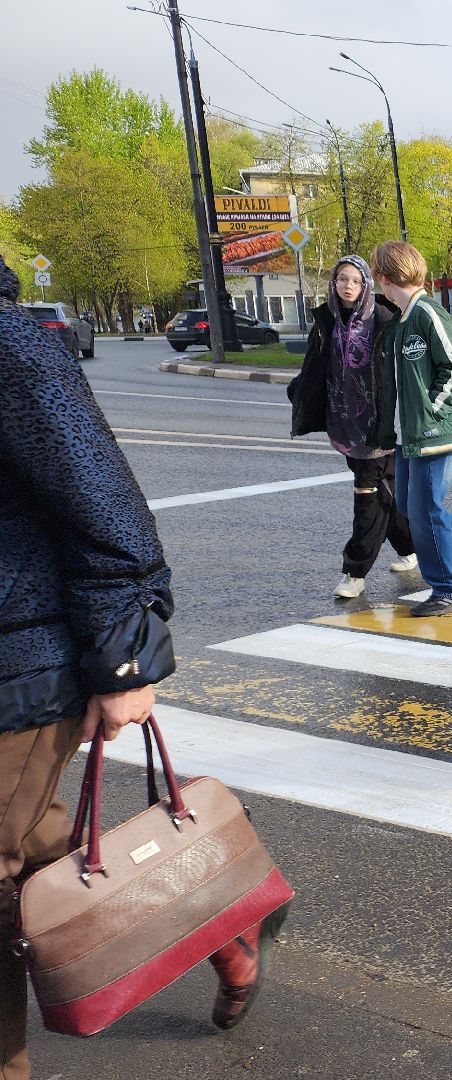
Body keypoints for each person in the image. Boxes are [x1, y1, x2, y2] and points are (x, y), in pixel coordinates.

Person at [0, 257, 289, 1068]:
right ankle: (219, 923)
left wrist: (124, 660)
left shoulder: (11, 348)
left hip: (17, 665)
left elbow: (103, 500)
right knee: (45, 848)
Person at [372, 241, 452, 617]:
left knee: (426, 509)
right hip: (414, 434)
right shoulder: (402, 320)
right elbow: (397, 384)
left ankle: (448, 588)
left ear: (383, 276)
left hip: (436, 432)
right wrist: (385, 435)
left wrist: (429, 415)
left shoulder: (426, 313)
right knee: (412, 507)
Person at [289, 255, 417, 601]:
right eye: (342, 279)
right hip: (345, 422)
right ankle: (413, 548)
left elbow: (401, 370)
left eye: (355, 280)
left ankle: (354, 572)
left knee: (368, 494)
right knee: (388, 494)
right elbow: (317, 365)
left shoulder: (384, 318)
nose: (347, 286)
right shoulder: (327, 319)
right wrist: (300, 390)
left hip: (380, 423)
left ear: (366, 285)